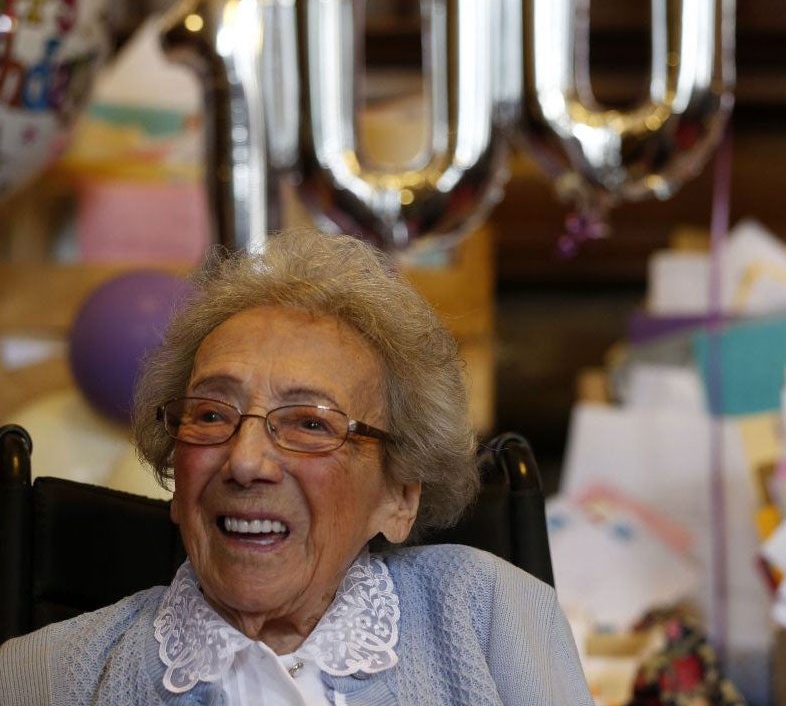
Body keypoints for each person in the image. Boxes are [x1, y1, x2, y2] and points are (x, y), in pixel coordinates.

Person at [0, 229, 594, 705]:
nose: (246, 461)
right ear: (175, 475)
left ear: (400, 496)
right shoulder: (40, 680)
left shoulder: (490, 617)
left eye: (310, 423)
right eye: (210, 414)